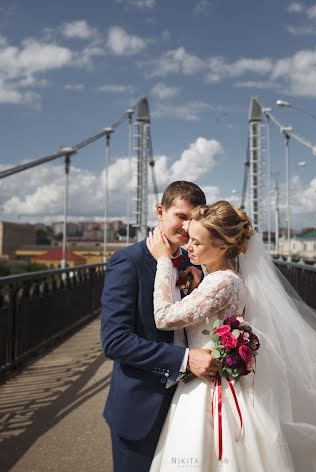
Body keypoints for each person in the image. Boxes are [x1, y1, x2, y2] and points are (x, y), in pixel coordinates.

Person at [147, 200, 316, 472]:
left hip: (208, 386)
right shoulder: (222, 278)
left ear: (222, 247)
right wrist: (198, 286)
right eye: (190, 239)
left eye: (197, 243)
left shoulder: (222, 281)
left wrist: (164, 261)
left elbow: (164, 317)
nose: (189, 247)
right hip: (214, 379)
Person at [101, 181, 220, 472]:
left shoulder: (196, 265)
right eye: (181, 215)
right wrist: (184, 359)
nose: (187, 225)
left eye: (193, 219)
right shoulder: (128, 262)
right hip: (142, 407)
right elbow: (115, 341)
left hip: (189, 404)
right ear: (160, 211)